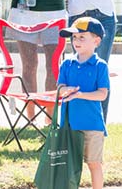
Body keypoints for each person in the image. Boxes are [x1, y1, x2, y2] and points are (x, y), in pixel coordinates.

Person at [57, 17, 110, 189]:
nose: (76, 41)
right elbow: (60, 88)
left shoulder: (100, 66)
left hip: (93, 126)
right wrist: (68, 90)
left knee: (94, 164)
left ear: (96, 41)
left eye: (82, 37)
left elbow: (102, 94)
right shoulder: (67, 63)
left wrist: (79, 94)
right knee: (69, 166)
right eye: (73, 37)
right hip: (69, 125)